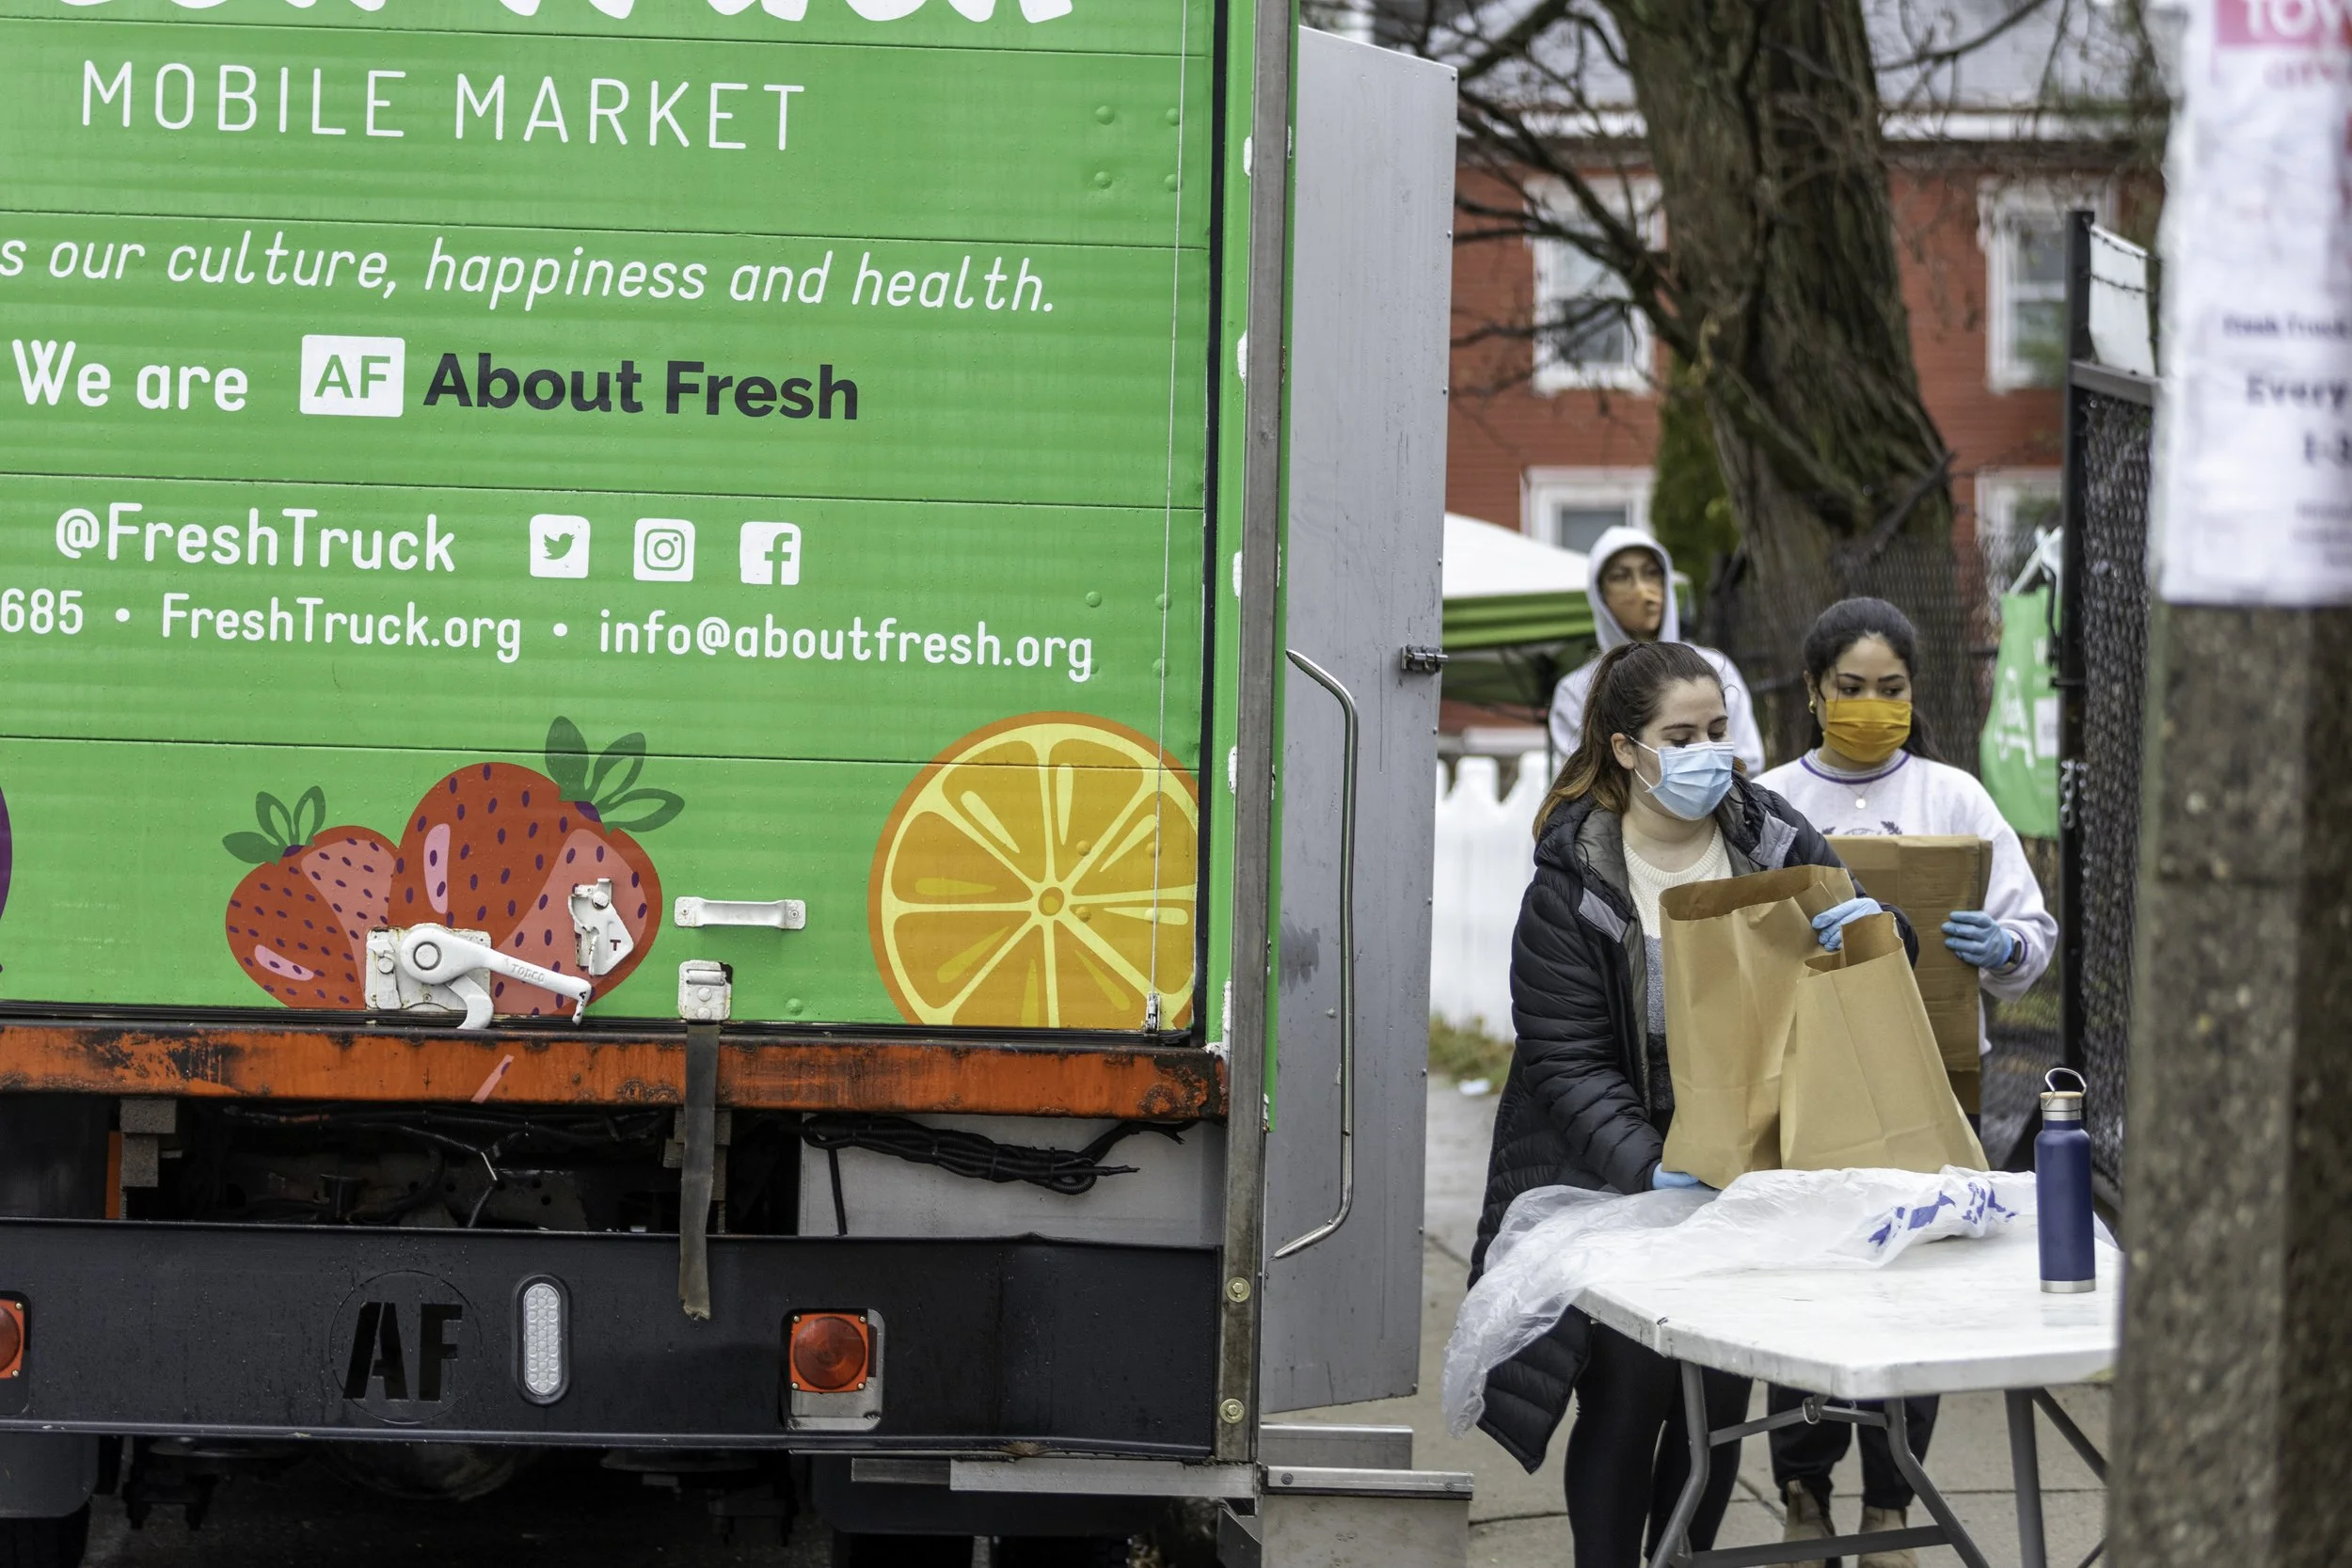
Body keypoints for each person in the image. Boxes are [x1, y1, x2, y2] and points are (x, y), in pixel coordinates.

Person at [1472, 641, 1908, 1567]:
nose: (1710, 750)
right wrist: (1651, 1168)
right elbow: (1567, 1061)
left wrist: (1875, 928)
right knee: (1630, 1386)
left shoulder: (1766, 831)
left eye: (1717, 729)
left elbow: (1867, 930)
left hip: (1751, 1150)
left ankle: (1682, 1559)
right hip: (1615, 1160)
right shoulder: (1573, 884)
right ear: (1626, 748)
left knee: (1714, 1397)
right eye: (1682, 735)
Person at [1754, 596, 2059, 1568]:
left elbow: (2031, 933)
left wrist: (2003, 940)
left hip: (1934, 1082)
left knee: (1913, 1295)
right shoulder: (1763, 800)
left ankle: (1891, 1505)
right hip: (1804, 1085)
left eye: (1890, 688)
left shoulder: (1954, 799)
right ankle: (1804, 1494)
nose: (1871, 705)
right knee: (1804, 1293)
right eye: (1850, 688)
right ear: (1812, 690)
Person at [1549, 525, 1765, 774]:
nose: (1642, 590)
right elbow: (1579, 778)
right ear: (1600, 595)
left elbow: (1748, 762)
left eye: (1652, 573)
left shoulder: (1713, 668)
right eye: (1621, 576)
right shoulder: (1578, 689)